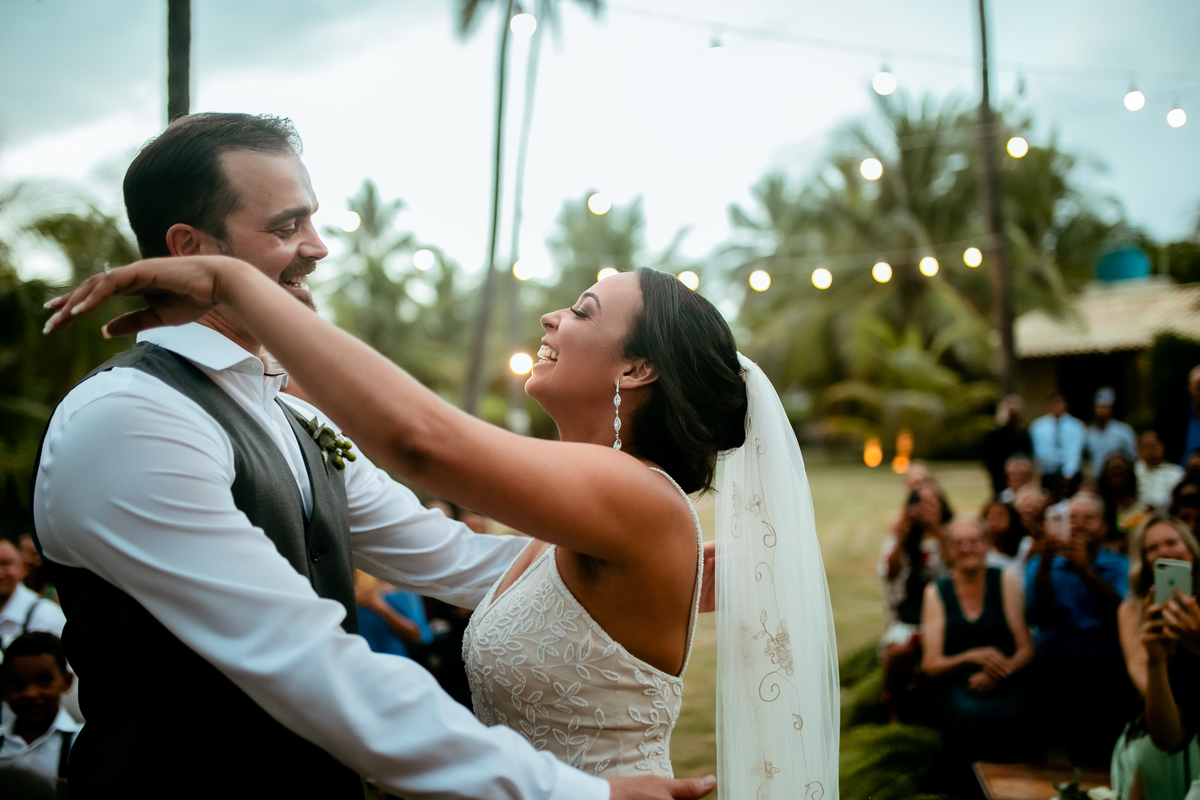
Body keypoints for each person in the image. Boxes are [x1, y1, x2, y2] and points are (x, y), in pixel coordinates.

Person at [35, 114, 718, 800]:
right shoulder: (128, 419)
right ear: (191, 248)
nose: (318, 247)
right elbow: (301, 658)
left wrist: (641, 573)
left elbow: (448, 557)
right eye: (285, 227)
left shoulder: (290, 416)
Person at [1026, 492, 1138, 766]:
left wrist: (1085, 571)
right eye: (1072, 518)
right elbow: (1036, 613)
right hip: (1057, 667)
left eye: (1090, 518)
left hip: (1106, 668)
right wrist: (1044, 561)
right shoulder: (1041, 564)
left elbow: (1120, 611)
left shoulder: (1119, 565)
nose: (1079, 524)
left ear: (1104, 527)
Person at [921, 515, 1035, 765]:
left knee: (1016, 711)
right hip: (960, 685)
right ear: (948, 550)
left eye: (973, 541)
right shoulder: (936, 593)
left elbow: (1025, 647)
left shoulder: (1004, 580)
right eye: (958, 543)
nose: (966, 548)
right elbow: (931, 664)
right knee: (967, 713)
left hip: (1006, 679)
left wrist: (998, 673)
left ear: (986, 545)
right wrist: (971, 657)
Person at [1112, 516, 1200, 800]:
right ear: (1144, 560)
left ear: (1191, 548)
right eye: (1152, 548)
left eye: (1172, 542)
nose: (1164, 552)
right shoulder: (1133, 609)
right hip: (1163, 715)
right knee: (1149, 754)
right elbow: (1139, 671)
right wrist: (1157, 660)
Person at [878, 482, 951, 721]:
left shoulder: (951, 536)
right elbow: (889, 575)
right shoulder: (903, 535)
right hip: (908, 617)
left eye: (933, 502)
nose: (926, 508)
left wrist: (936, 530)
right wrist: (902, 537)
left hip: (943, 619)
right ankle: (895, 706)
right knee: (897, 653)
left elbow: (955, 571)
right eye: (921, 502)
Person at [0, 632, 80, 790]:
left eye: (43, 681)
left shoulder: (81, 744)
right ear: (2, 688)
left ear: (67, 681)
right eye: (18, 684)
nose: (30, 694)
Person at [354, 571, 433, 663]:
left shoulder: (401, 589)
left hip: (395, 662)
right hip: (358, 663)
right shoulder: (352, 587)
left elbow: (418, 636)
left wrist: (377, 605)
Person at [1031, 394, 1086, 500]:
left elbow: (1075, 450)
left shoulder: (1076, 426)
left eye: (1060, 403)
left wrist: (1069, 472)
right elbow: (1039, 451)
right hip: (1048, 472)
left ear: (1065, 405)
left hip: (1070, 473)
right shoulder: (1038, 426)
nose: (1057, 406)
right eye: (1054, 403)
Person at [983, 395, 1034, 499]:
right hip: (999, 475)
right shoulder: (995, 435)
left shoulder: (1023, 434)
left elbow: (1029, 455)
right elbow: (987, 457)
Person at [1099, 452, 1151, 550]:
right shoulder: (1099, 508)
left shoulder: (1146, 507)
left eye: (1121, 469)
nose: (1117, 474)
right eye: (1112, 470)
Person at [1086, 388, 1138, 475]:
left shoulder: (1124, 431)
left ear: (1111, 409)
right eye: (1098, 407)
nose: (1101, 411)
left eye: (1104, 408)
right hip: (1096, 479)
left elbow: (1133, 457)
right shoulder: (1088, 433)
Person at [1139, 430, 1186, 513]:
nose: (1151, 451)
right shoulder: (1133, 472)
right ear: (1139, 450)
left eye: (1154, 446)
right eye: (1147, 447)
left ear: (1162, 447)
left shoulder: (1177, 473)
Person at [981, 500, 1025, 568]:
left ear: (1012, 519)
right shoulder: (980, 547)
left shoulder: (1025, 546)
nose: (994, 520)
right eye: (990, 515)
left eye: (1000, 514)